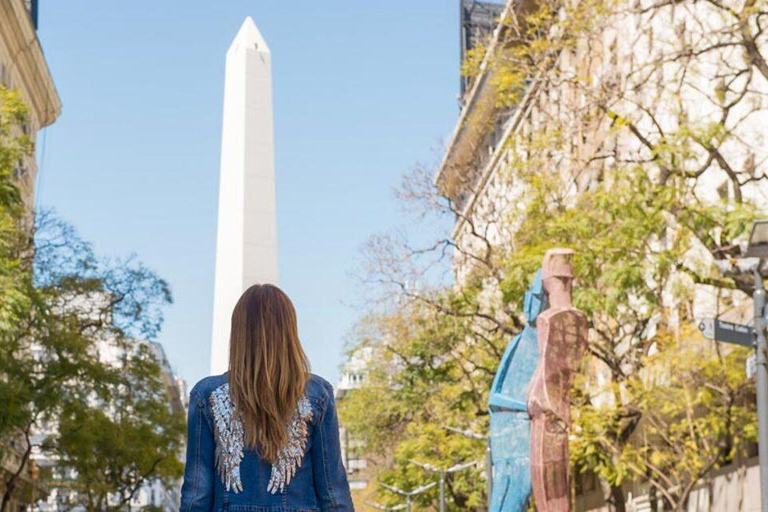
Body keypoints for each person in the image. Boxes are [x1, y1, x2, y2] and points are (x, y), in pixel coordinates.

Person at [180, 284, 355, 511]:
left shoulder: (207, 394)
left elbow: (197, 495)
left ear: (239, 333)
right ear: (289, 331)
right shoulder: (316, 394)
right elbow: (333, 493)